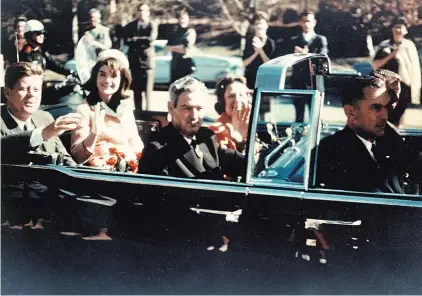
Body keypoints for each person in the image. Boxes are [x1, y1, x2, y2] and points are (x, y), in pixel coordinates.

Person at [70, 49, 143, 240]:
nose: (107, 81)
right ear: (95, 77)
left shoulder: (125, 110)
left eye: (114, 76)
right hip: (97, 179)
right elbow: (77, 154)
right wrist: (95, 132)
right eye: (102, 74)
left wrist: (138, 160)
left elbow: (135, 140)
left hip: (127, 174)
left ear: (122, 80)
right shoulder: (84, 109)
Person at [1, 62, 80, 229]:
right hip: (10, 216)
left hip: (48, 211)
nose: (32, 96)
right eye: (24, 89)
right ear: (7, 93)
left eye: (36, 90)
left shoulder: (45, 118)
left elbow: (65, 160)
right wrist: (43, 133)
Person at [138, 76, 246, 180]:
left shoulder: (207, 138)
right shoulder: (157, 150)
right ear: (171, 108)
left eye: (199, 108)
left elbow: (243, 166)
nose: (194, 116)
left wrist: (242, 143)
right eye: (187, 108)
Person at [316, 75, 406, 193]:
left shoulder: (380, 143)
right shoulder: (333, 152)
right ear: (351, 112)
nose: (385, 116)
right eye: (376, 108)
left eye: (387, 107)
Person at [372, 16, 421, 126]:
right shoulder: (384, 45)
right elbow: (375, 64)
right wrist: (391, 56)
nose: (398, 29)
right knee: (385, 114)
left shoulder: (409, 46)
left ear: (405, 30)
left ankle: (398, 139)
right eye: (395, 27)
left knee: (399, 114)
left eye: (400, 27)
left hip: (404, 85)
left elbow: (414, 68)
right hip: (385, 85)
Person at [123, 3, 157, 110]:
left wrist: (135, 40)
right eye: (140, 10)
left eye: (144, 10)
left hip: (147, 64)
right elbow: (126, 40)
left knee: (148, 92)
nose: (142, 13)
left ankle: (148, 113)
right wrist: (140, 40)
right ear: (137, 12)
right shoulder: (131, 26)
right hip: (135, 62)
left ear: (148, 13)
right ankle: (138, 114)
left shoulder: (152, 25)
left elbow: (150, 40)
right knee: (136, 91)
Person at [209, 75, 251, 152]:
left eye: (241, 95)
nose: (237, 100)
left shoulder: (255, 123)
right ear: (223, 102)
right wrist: (239, 144)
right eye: (232, 96)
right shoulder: (215, 130)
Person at [242, 11, 275, 90]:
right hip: (249, 79)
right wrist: (256, 52)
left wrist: (260, 50)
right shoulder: (249, 41)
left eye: (261, 24)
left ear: (266, 25)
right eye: (256, 24)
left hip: (265, 79)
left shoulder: (271, 43)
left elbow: (271, 65)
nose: (259, 26)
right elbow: (243, 63)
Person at [166, 9, 197, 83]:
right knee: (174, 87)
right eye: (180, 18)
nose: (182, 20)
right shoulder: (174, 31)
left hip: (186, 63)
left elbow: (186, 49)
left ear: (188, 19)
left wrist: (172, 48)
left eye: (184, 18)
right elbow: (166, 48)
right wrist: (178, 47)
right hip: (175, 64)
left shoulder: (190, 31)